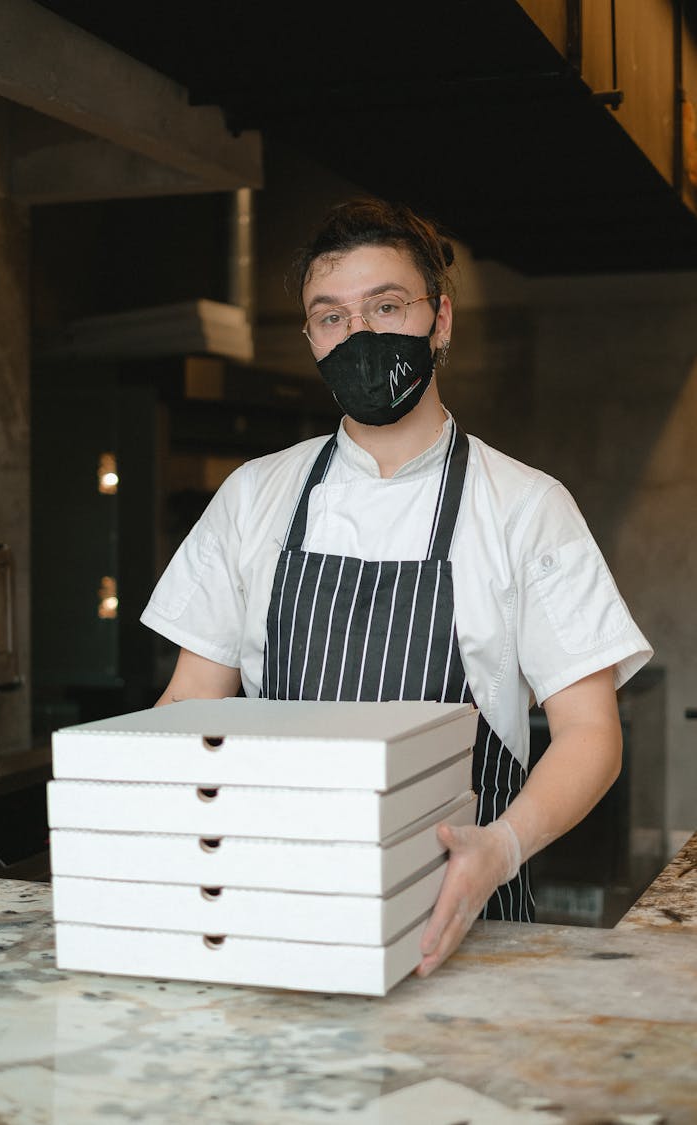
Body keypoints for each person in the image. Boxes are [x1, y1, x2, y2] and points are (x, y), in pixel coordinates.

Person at [140, 197, 652, 976]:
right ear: (312, 335)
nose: (361, 335)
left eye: (387, 306)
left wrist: (501, 848)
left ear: (440, 320)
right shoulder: (254, 497)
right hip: (275, 913)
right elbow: (189, 704)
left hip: (465, 926)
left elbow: (591, 734)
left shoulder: (523, 507)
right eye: (332, 316)